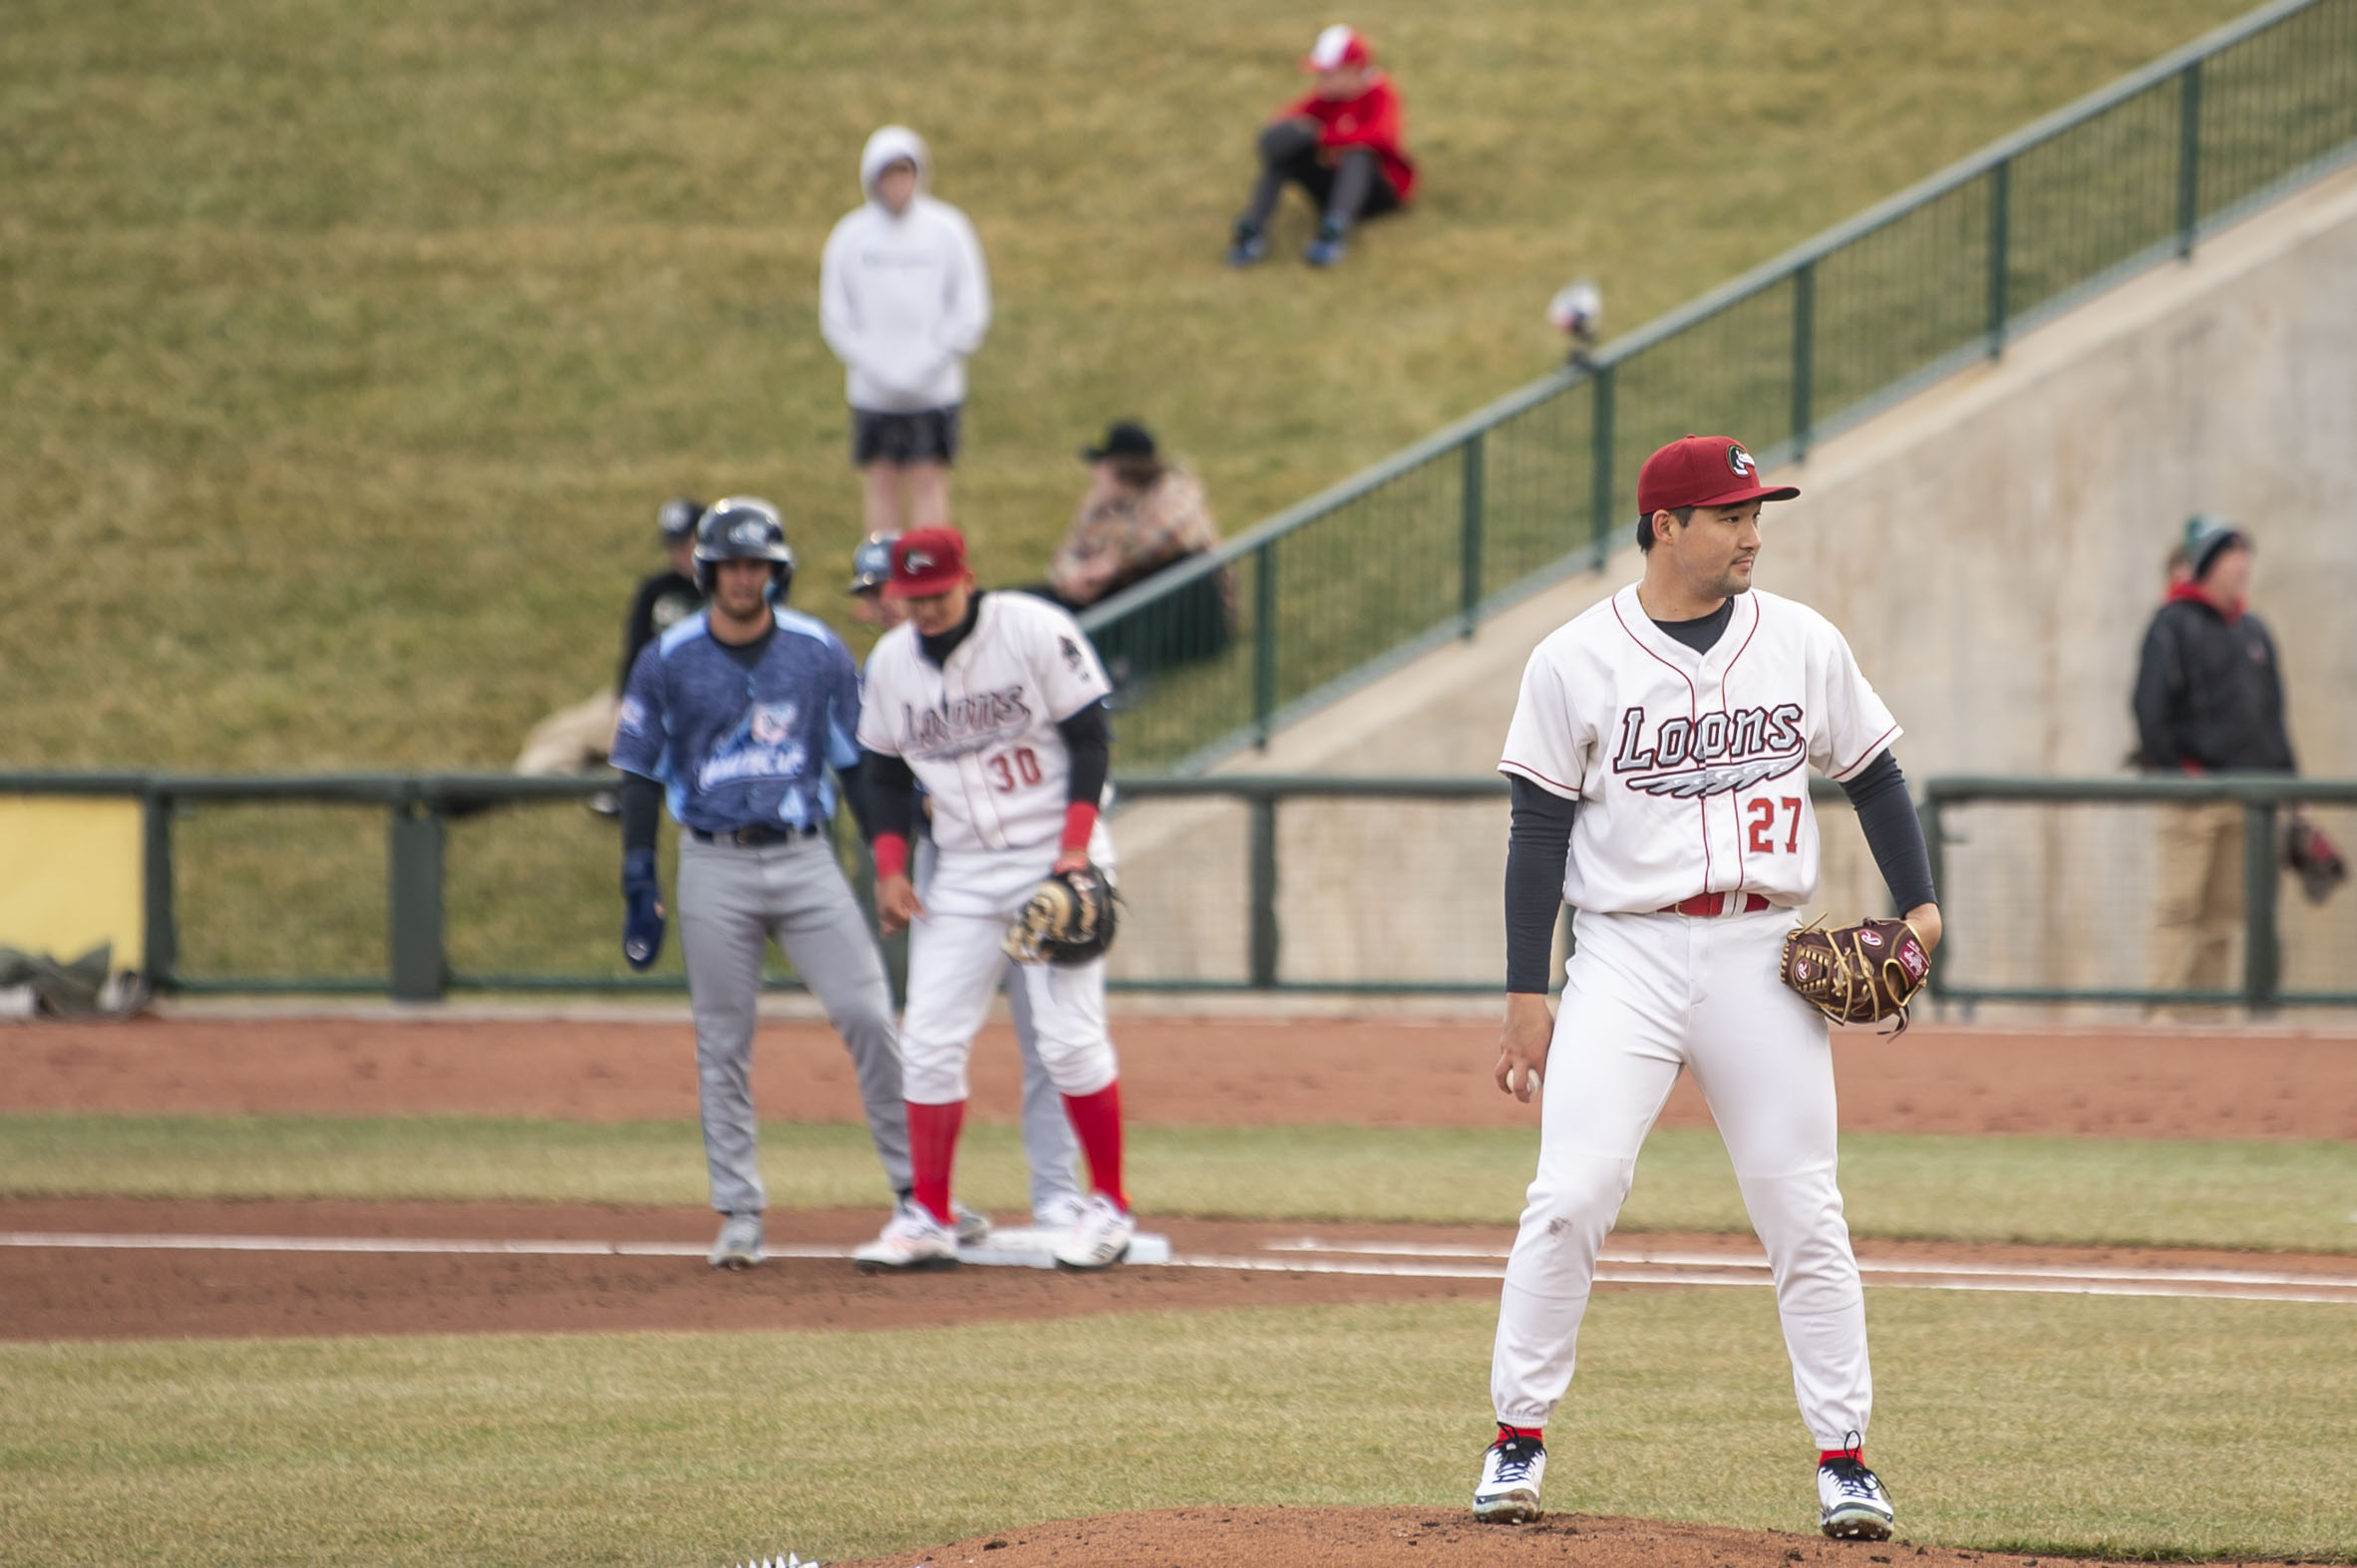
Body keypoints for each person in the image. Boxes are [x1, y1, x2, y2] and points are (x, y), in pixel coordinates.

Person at [1476, 436, 1942, 1541]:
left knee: (1803, 1209)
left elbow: (1872, 771)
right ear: (1664, 527)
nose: (1751, 532)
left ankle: (1845, 1459)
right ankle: (1516, 1437)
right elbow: (1536, 827)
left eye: (1753, 513)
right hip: (1625, 956)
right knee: (1573, 1193)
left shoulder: (1801, 641)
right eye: (1729, 515)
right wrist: (1524, 989)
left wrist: (1921, 905)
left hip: (1760, 952)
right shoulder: (1574, 658)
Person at [610, 498, 939, 1270]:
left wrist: (889, 864)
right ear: (708, 572)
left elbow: (860, 766)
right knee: (723, 1040)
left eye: (756, 564)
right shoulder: (668, 655)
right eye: (730, 565)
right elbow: (636, 772)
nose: (743, 577)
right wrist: (637, 872)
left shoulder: (817, 649)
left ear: (775, 570)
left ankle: (917, 1192)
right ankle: (739, 1208)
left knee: (867, 1013)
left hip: (804, 853)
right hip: (713, 858)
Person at [848, 527, 1136, 1271]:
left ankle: (1107, 1204)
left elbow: (1090, 737)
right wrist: (891, 866)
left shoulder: (1033, 629)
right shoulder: (889, 664)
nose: (927, 609)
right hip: (965, 865)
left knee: (1068, 1037)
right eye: (911, 599)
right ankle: (930, 1215)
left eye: (938, 593)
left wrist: (1075, 847)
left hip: (1053, 852)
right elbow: (880, 775)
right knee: (930, 1039)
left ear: (967, 578)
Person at [2131, 514, 2296, 999]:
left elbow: (2273, 718)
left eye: (2245, 552)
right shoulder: (2172, 623)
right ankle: (2163, 1021)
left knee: (2224, 920)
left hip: (2249, 801)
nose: (2242, 563)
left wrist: (2294, 795)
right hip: (2192, 798)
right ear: (2208, 562)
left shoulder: (2254, 631)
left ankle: (2206, 1023)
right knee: (2178, 911)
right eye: (2231, 552)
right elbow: (2148, 709)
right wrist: (2179, 776)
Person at [821, 126, 992, 539]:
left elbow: (970, 306)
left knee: (928, 479)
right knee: (880, 481)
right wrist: (876, 364)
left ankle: (929, 573)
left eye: (905, 172)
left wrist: (930, 360)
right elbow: (837, 314)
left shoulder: (947, 229)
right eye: (889, 174)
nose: (897, 184)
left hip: (934, 388)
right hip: (873, 390)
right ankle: (881, 580)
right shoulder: (850, 236)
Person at [513, 496, 706, 787]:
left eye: (687, 543)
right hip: (642, 699)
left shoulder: (730, 595)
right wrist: (626, 703)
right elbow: (636, 652)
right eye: (673, 545)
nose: (678, 553)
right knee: (559, 732)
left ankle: (613, 790)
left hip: (691, 710)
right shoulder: (656, 589)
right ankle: (513, 788)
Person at [1037, 422, 1233, 679]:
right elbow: (1067, 553)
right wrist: (1074, 577)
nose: (1094, 473)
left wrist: (1111, 565)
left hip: (1195, 626)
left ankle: (1127, 671)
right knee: (1037, 597)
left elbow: (1164, 537)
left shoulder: (1177, 490)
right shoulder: (1098, 502)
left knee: (1181, 567)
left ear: (1121, 471)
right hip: (1124, 605)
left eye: (1101, 466)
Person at [1227, 24, 1417, 269]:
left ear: (1352, 71)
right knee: (1285, 154)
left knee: (1358, 152)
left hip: (1380, 195)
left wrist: (1321, 136)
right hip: (1333, 186)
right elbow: (1286, 121)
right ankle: (1252, 230)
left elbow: (1380, 136)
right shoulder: (1326, 98)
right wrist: (1288, 134)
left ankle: (1333, 233)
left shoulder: (1380, 93)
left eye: (1327, 74)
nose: (1320, 81)